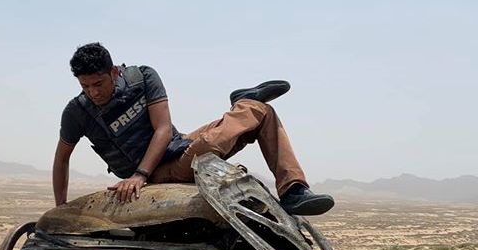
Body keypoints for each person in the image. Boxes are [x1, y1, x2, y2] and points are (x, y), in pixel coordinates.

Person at [53, 42, 335, 215]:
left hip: (174, 146)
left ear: (114, 72)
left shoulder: (142, 77)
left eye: (98, 83)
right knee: (216, 141)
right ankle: (244, 102)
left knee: (264, 113)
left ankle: (293, 190)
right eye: (85, 86)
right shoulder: (78, 112)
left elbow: (163, 129)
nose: (93, 92)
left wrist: (139, 175)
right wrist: (61, 208)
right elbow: (62, 158)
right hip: (162, 172)